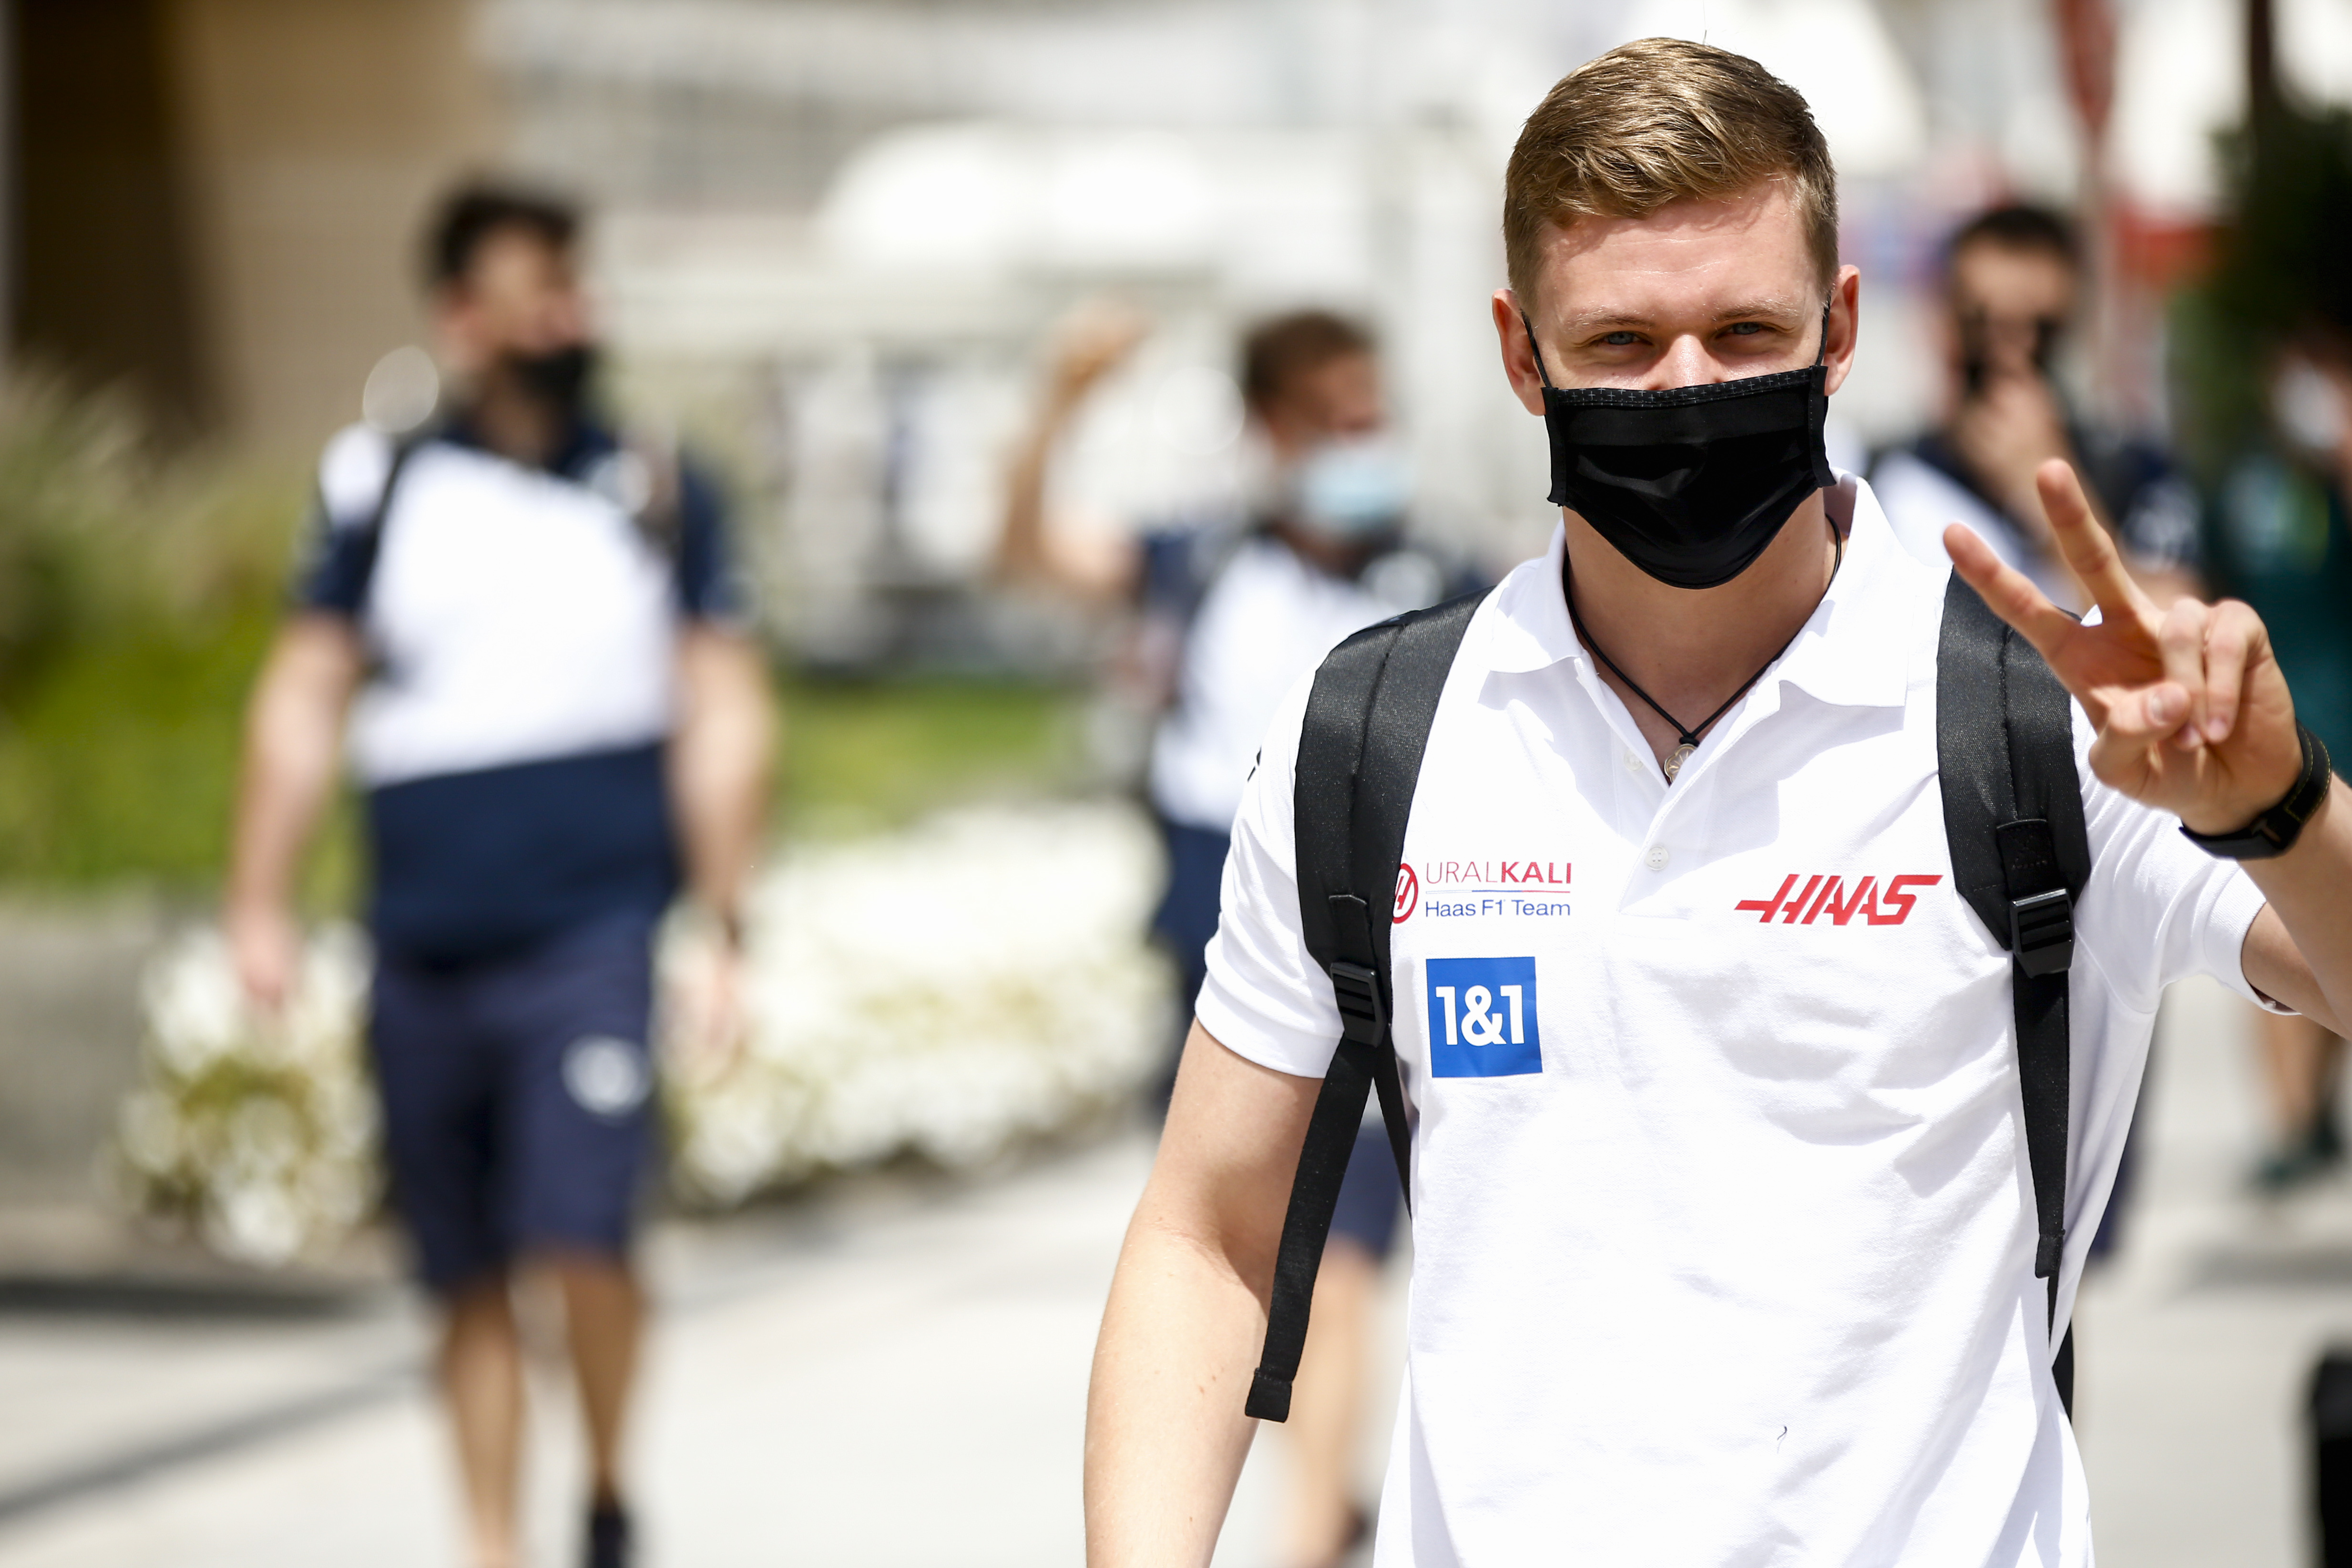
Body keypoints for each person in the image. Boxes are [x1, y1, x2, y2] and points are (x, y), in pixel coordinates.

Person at [1084, 39, 2352, 1566]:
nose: (1686, 389)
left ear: (1840, 330)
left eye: (1744, 330)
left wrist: (2280, 807)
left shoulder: (2041, 720)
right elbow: (1210, 1237)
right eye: (1618, 343)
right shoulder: (1373, 739)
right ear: (1519, 355)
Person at [224, 184, 773, 1568]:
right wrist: (258, 899)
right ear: (462, 316)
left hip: (591, 931)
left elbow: (724, 709)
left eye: (578, 290)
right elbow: (302, 694)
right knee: (460, 1267)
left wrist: (725, 921)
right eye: (541, 294)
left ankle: (605, 1487)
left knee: (584, 1234)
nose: (570, 318)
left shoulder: (654, 481)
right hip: (421, 941)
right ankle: (490, 1541)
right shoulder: (379, 483)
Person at [1002, 306, 1465, 1566]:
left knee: (1337, 1253)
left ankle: (1307, 1536)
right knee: (1227, 1238)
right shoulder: (1198, 567)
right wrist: (1060, 401)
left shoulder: (1439, 584)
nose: (1361, 442)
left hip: (1369, 958)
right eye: (1333, 420)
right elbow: (1025, 552)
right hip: (1218, 959)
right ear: (1269, 428)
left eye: (1372, 416)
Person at [1872, 203, 2203, 609]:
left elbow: (2173, 624)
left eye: (2042, 331)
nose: (2011, 359)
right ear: (1943, 327)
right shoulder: (1886, 483)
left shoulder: (2133, 472)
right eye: (1982, 326)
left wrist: (2051, 504)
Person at [2205, 336, 2352, 1190]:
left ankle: (2314, 1111)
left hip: (2343, 716)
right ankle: (2289, 1118)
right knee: (2268, 917)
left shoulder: (2333, 480)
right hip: (2274, 733)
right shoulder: (2242, 476)